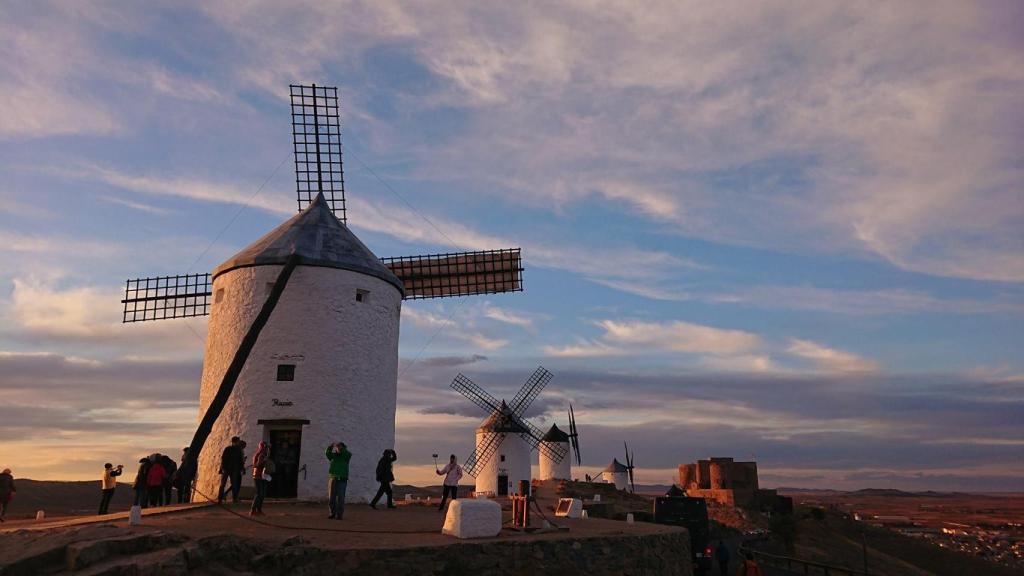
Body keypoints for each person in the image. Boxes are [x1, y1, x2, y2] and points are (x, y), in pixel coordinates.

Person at [325, 442, 351, 520]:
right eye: (337, 447)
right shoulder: (333, 456)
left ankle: (339, 514)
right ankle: (332, 513)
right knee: (331, 497)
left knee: (341, 497)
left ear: (343, 447)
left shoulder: (346, 455)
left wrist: (342, 449)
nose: (338, 448)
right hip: (333, 478)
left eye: (340, 446)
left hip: (342, 479)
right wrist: (330, 447)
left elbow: (347, 453)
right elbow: (327, 453)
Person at [219, 437, 244, 504]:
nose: (239, 443)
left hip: (233, 469)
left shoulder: (237, 450)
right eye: (238, 441)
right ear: (234, 442)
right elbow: (223, 458)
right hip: (228, 469)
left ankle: (234, 498)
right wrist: (223, 468)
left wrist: (242, 468)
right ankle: (220, 499)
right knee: (223, 484)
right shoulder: (228, 449)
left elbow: (240, 460)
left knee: (234, 484)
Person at [250, 441, 270, 517]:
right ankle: (253, 510)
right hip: (258, 476)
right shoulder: (260, 455)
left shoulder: (261, 454)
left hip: (261, 476)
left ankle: (258, 510)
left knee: (262, 494)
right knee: (259, 494)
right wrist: (263, 461)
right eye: (266, 447)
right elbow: (257, 465)